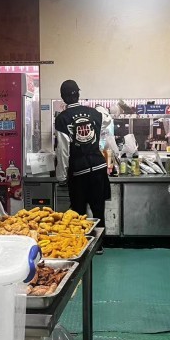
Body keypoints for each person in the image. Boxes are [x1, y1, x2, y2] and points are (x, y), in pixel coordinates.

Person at [55, 80, 110, 254]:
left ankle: (81, 246)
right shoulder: (95, 114)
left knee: (79, 211)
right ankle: (99, 246)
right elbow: (107, 120)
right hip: (99, 167)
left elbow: (63, 151)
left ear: (63, 97)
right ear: (78, 94)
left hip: (79, 171)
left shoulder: (62, 119)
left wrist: (61, 176)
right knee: (98, 208)